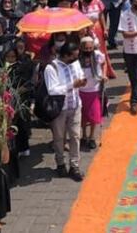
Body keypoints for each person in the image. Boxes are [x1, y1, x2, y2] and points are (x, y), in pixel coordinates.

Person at [44, 41, 85, 181]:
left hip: (75, 105)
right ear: (66, 55)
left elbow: (79, 76)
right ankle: (60, 163)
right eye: (73, 57)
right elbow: (52, 90)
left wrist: (81, 82)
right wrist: (71, 85)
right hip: (59, 108)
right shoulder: (51, 68)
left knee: (75, 136)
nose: (75, 59)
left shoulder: (75, 63)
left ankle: (75, 166)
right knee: (59, 138)